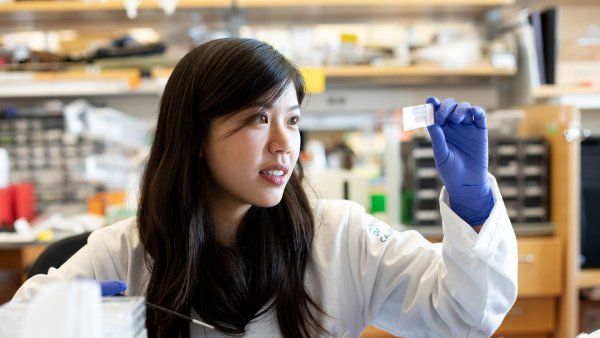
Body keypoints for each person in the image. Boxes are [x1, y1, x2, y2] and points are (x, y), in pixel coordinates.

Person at [14, 38, 517, 338]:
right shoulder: (122, 253)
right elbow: (17, 325)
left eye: (293, 120)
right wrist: (54, 321)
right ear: (194, 136)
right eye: (258, 118)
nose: (284, 144)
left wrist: (473, 202)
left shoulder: (343, 238)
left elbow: (463, 317)